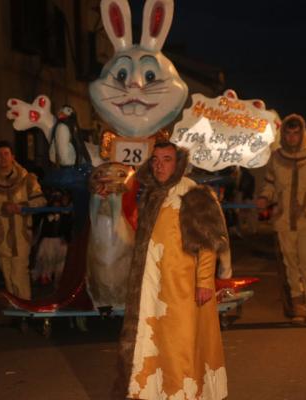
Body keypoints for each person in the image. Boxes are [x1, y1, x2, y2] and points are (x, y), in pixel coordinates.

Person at [115, 142, 228, 400]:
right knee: (154, 342)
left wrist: (204, 282)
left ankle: (184, 394)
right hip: (152, 285)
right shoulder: (153, 194)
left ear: (178, 163)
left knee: (182, 346)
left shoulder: (192, 193)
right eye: (155, 160)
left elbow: (208, 243)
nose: (159, 165)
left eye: (166, 159)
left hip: (182, 288)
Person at [256, 114, 306, 327]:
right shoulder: (276, 158)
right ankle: (297, 308)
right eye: (288, 133)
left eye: (296, 133)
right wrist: (265, 197)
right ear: (283, 134)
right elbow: (270, 185)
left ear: (303, 133)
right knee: (290, 265)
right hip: (283, 221)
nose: (292, 137)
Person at [0, 140, 46, 300]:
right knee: (8, 277)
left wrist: (21, 207)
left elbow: (40, 201)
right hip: (0, 237)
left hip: (21, 236)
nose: (2, 158)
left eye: (6, 154)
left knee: (20, 273)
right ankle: (16, 309)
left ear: (13, 156)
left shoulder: (27, 180)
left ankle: (25, 309)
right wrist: (1, 208)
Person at [31, 189, 72, 287]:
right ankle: (45, 276)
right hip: (47, 240)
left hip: (60, 240)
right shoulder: (45, 214)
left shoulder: (65, 214)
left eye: (58, 202)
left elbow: (67, 227)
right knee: (46, 259)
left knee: (60, 261)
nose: (56, 205)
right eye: (54, 202)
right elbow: (38, 224)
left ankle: (59, 279)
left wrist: (66, 238)